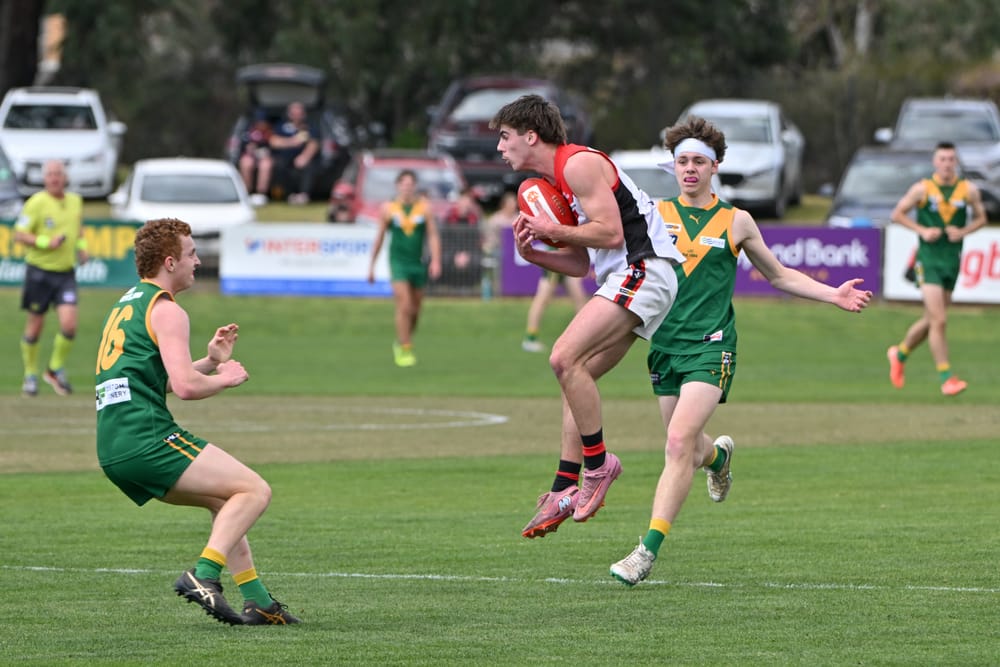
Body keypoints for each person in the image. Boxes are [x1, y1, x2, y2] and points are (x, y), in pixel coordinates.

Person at [608, 116, 873, 586]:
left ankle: (645, 551)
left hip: (713, 346)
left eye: (698, 161)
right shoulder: (654, 214)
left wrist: (833, 294)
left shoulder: (736, 221)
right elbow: (612, 256)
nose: (689, 169)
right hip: (664, 345)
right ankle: (719, 459)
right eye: (682, 161)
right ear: (673, 166)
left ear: (716, 167)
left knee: (675, 443)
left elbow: (778, 275)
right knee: (687, 449)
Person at [491, 94, 685, 538]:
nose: (500, 148)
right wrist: (533, 252)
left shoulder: (577, 164)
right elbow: (581, 264)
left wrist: (551, 230)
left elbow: (612, 233)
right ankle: (564, 486)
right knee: (574, 378)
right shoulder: (555, 182)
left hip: (644, 268)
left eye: (505, 137)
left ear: (530, 135)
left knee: (562, 357)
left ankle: (598, 466)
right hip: (629, 275)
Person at [95, 218, 299, 625]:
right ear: (169, 262)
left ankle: (259, 602)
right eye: (191, 254)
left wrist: (210, 361)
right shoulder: (168, 310)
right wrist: (224, 379)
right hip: (146, 438)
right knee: (255, 490)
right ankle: (203, 574)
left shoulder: (129, 303)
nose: (198, 261)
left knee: (227, 502)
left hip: (114, 446)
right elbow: (186, 388)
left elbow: (158, 380)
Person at [885, 141, 986, 396]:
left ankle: (900, 354)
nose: (947, 164)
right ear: (935, 162)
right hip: (927, 260)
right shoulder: (922, 189)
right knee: (940, 320)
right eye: (942, 159)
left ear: (956, 163)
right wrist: (922, 230)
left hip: (951, 262)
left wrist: (962, 231)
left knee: (932, 320)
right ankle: (947, 377)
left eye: (951, 159)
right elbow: (897, 214)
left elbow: (982, 218)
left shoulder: (968, 190)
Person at [13, 159, 87, 397]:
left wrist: (82, 248)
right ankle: (30, 375)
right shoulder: (36, 203)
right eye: (50, 174)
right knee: (35, 326)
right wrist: (46, 243)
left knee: (69, 324)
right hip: (39, 271)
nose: (54, 178)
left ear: (64, 177)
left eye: (58, 174)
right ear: (45, 178)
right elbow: (20, 234)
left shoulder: (75, 201)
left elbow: (79, 227)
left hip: (65, 272)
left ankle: (54, 369)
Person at [367, 169, 442, 367]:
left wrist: (436, 260)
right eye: (404, 184)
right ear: (398, 186)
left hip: (417, 264)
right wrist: (372, 266)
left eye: (411, 185)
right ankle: (405, 347)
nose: (407, 188)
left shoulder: (424, 208)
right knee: (405, 304)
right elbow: (380, 237)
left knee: (416, 310)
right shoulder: (389, 208)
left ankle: (404, 339)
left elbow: (433, 235)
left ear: (415, 187)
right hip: (398, 263)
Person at [521, 268, 588, 352]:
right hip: (553, 266)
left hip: (568, 265)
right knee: (542, 300)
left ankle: (584, 338)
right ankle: (531, 339)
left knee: (580, 299)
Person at [269, 101, 319, 204]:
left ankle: (303, 195)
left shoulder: (309, 127)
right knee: (279, 166)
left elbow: (314, 143)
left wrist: (304, 157)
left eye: (299, 113)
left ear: (303, 114)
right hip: (284, 159)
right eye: (294, 113)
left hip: (302, 158)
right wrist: (292, 141)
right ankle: (288, 195)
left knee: (308, 167)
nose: (296, 116)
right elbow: (274, 141)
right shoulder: (282, 126)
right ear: (289, 114)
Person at [238, 111, 274, 202]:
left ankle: (261, 193)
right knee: (246, 163)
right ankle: (247, 192)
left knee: (265, 165)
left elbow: (273, 145)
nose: (261, 124)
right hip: (249, 156)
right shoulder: (248, 131)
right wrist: (250, 148)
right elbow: (242, 145)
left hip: (265, 157)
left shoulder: (270, 132)